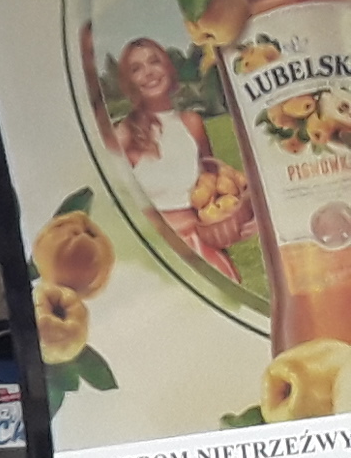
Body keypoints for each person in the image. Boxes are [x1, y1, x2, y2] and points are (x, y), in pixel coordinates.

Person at [84, 32, 244, 280]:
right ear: (128, 82)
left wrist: (234, 217)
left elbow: (212, 186)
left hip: (203, 249)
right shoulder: (125, 134)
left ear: (168, 68)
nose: (148, 73)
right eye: (136, 69)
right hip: (159, 256)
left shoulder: (192, 123)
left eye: (154, 62)